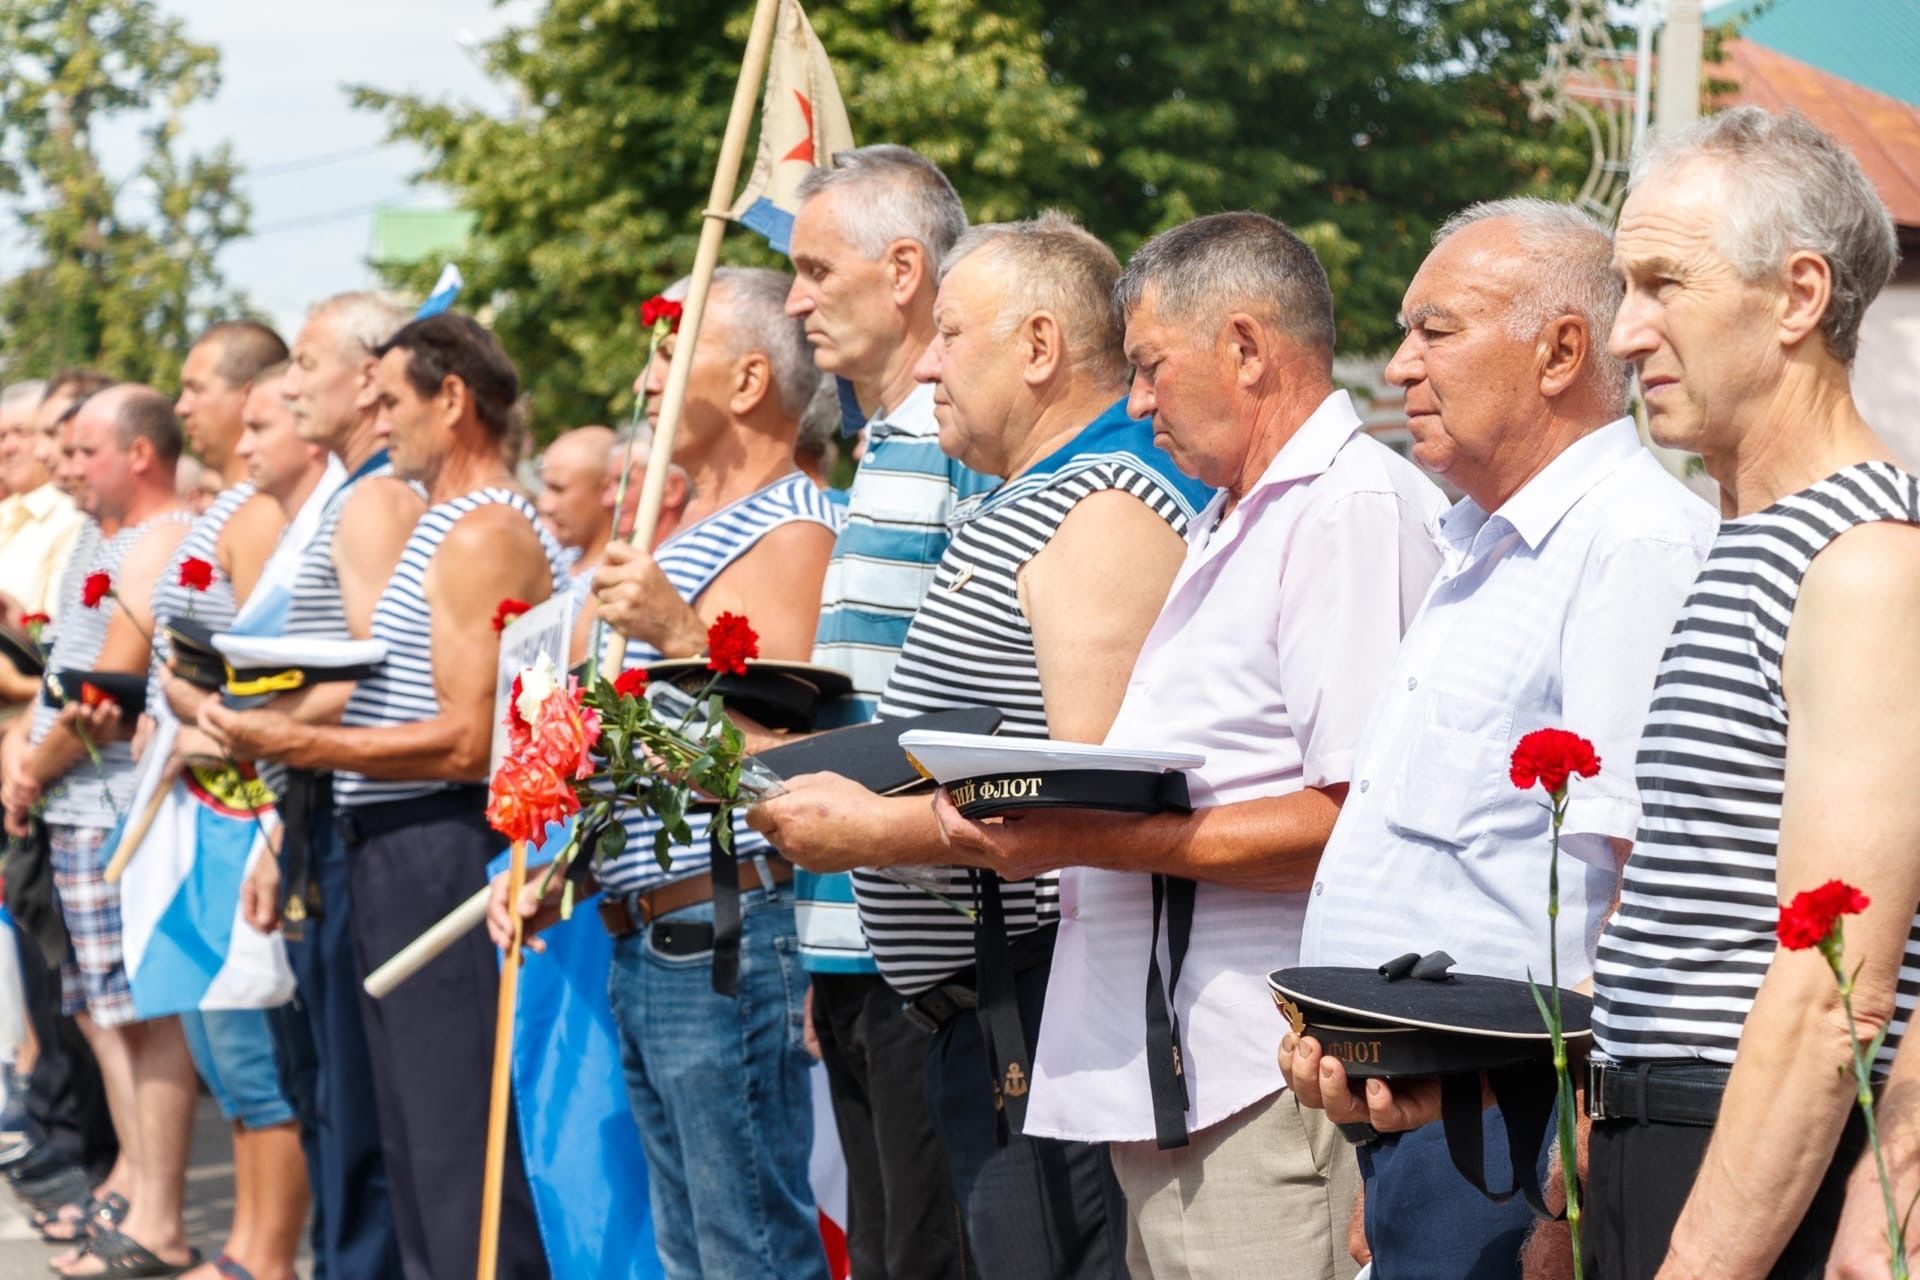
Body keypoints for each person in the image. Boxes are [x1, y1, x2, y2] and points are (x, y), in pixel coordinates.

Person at [930, 211, 1445, 1280]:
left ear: (1247, 349)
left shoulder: (1343, 509)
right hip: (1196, 1079)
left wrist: (1085, 834)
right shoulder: (1240, 508)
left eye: (1152, 366)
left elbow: (1353, 824)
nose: (1135, 402)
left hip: (1268, 1082)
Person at [751, 210, 1215, 1278]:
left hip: (1047, 1011)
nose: (927, 363)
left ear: (1040, 347)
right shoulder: (1038, 496)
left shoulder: (1106, 498)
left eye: (952, 334)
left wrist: (871, 826)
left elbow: (1094, 803)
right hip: (992, 1011)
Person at [1276, 199, 1715, 1278]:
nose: (1401, 366)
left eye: (1438, 330)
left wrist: (1566, 1179)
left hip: (1521, 1137)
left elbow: (1637, 889)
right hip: (1430, 1125)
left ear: (1562, 349)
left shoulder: (1632, 548)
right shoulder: (1483, 544)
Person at [1579, 107, 1920, 1279]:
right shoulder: (1754, 541)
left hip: (1756, 1168)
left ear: (1797, 296)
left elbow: (1838, 990)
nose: (1625, 332)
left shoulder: (1868, 560)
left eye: (1663, 282)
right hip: (1666, 1143)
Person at [495, 265, 841, 1279]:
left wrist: (679, 632)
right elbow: (647, 751)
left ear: (743, 382)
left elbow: (785, 764)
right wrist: (557, 870)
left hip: (727, 931)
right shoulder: (691, 534)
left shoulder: (794, 527)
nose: (647, 382)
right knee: (691, 1246)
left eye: (668, 353)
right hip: (655, 932)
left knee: (749, 1249)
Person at [205, 311, 560, 1280]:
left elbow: (472, 738)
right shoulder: (444, 516)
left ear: (454, 400)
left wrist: (292, 738)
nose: (378, 414)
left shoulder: (484, 526)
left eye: (394, 398)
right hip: (393, 837)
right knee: (411, 1133)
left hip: (437, 840)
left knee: (455, 1140)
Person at [780, 142, 995, 1280]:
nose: (796, 300)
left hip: (941, 946)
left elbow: (980, 699)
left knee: (931, 1247)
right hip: (858, 930)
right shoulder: (882, 445)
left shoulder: (965, 438)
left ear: (903, 267)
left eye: (816, 268)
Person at [228, 291, 417, 1280]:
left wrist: (253, 722)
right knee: (330, 1087)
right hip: (316, 812)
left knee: (361, 1098)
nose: (289, 381)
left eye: (306, 361)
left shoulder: (378, 498)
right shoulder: (348, 494)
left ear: (372, 374)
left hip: (360, 818)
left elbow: (375, 678)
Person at [3, 386, 197, 1277]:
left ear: (140, 455)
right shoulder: (98, 537)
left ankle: (158, 1212)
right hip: (70, 805)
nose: (65, 466)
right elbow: (61, 676)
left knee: (134, 1018)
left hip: (116, 807)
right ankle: (134, 1187)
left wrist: (29, 767)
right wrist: (23, 755)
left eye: (82, 452)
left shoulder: (156, 541)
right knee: (95, 1015)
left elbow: (107, 699)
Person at [150, 338, 319, 1280]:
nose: (183, 407)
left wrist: (203, 707)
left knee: (254, 1046)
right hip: (205, 798)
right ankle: (249, 1245)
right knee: (227, 1047)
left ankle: (266, 1253)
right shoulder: (229, 508)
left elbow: (266, 674)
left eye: (197, 389)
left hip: (245, 800)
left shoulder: (262, 517)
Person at [0, 379, 83, 627]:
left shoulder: (74, 515)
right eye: (2, 436)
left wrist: (14, 621)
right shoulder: (5, 512)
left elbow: (60, 634)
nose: (8, 447)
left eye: (22, 432)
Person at [535, 423, 615, 590]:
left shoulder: (620, 578)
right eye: (545, 487)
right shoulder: (552, 561)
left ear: (607, 490)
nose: (545, 505)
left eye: (558, 489)